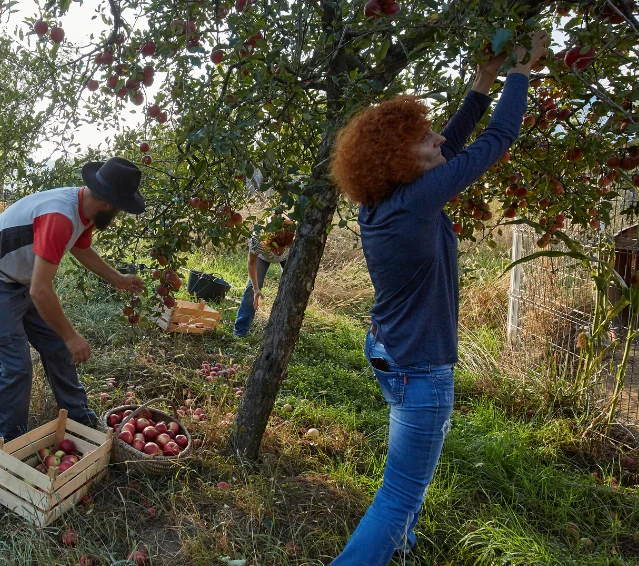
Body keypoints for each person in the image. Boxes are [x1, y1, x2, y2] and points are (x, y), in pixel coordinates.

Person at [327, 31, 549, 565]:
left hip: (391, 349)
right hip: (419, 367)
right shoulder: (416, 201)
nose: (437, 143)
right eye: (424, 139)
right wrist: (520, 73)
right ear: (401, 161)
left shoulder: (388, 199)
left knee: (409, 481)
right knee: (399, 493)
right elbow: (495, 140)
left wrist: (482, 82)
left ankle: (399, 547)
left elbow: (449, 145)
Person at [0, 157, 146, 447]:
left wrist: (117, 279)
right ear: (110, 205)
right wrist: (72, 336)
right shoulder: (60, 216)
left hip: (17, 280)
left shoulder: (82, 209)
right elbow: (40, 290)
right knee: (18, 366)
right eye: (122, 208)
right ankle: (8, 442)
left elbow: (81, 249)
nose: (119, 214)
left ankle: (78, 418)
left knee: (57, 347)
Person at [233, 219, 295, 337]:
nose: (277, 251)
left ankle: (283, 332)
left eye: (282, 247)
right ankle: (240, 332)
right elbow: (251, 263)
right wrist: (256, 288)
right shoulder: (257, 239)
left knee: (292, 287)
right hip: (263, 257)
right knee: (251, 291)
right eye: (275, 247)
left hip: (286, 259)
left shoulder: (292, 239)